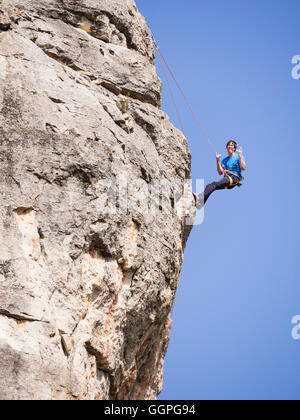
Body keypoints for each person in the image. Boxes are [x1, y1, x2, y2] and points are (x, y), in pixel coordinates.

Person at [193, 140, 246, 208]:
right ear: (227, 148)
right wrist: (218, 161)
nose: (230, 146)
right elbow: (220, 172)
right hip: (227, 178)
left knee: (214, 184)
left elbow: (243, 168)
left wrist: (240, 156)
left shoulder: (238, 156)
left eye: (232, 145)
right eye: (228, 145)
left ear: (234, 148)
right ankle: (199, 204)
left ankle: (200, 197)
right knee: (211, 185)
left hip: (234, 178)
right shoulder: (225, 160)